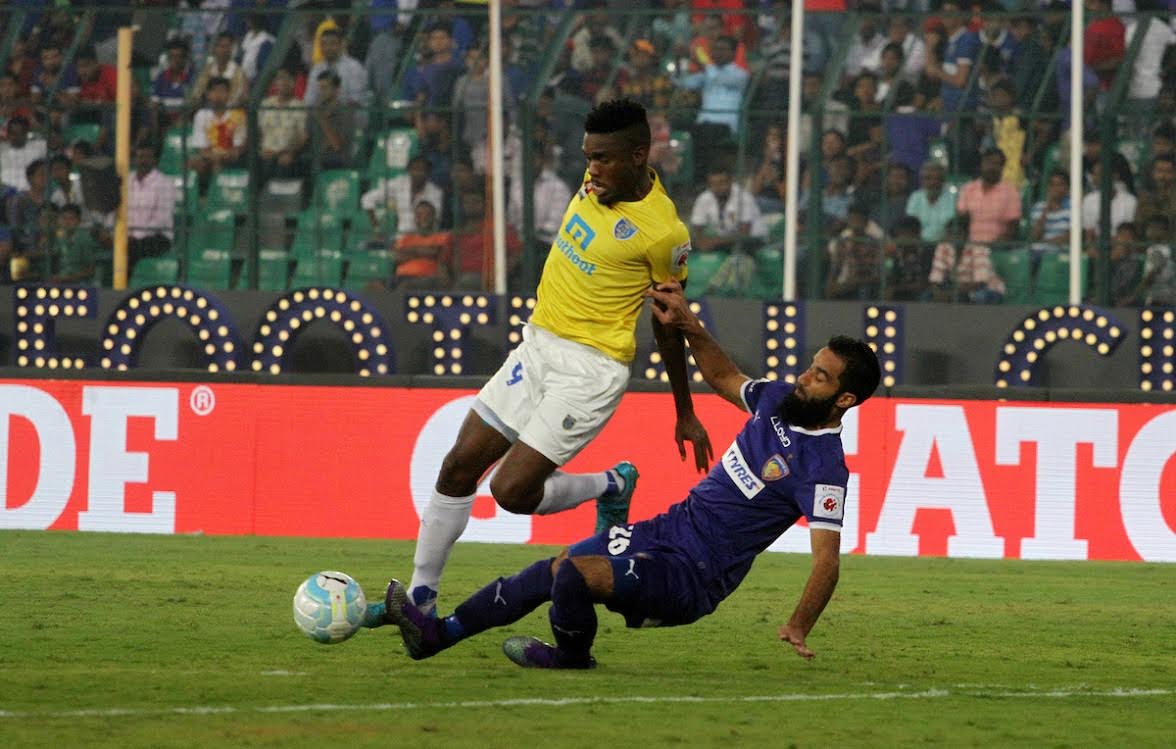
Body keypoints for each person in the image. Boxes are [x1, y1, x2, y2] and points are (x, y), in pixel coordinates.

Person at [375, 295, 879, 668]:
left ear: (844, 400)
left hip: (696, 575)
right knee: (549, 570)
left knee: (574, 576)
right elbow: (723, 375)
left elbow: (826, 562)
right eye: (812, 367)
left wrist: (798, 623)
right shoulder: (774, 400)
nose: (804, 378)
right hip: (665, 530)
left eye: (820, 376)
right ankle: (438, 635)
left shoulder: (824, 469)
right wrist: (690, 325)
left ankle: (573, 656)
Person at [398, 99, 713, 617]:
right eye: (588, 157)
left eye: (604, 158)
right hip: (538, 345)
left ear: (638, 155)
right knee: (456, 468)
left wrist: (685, 409)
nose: (591, 170)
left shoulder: (664, 232)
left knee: (510, 491)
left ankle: (611, 483)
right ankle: (419, 600)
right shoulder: (595, 184)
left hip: (590, 370)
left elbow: (668, 319)